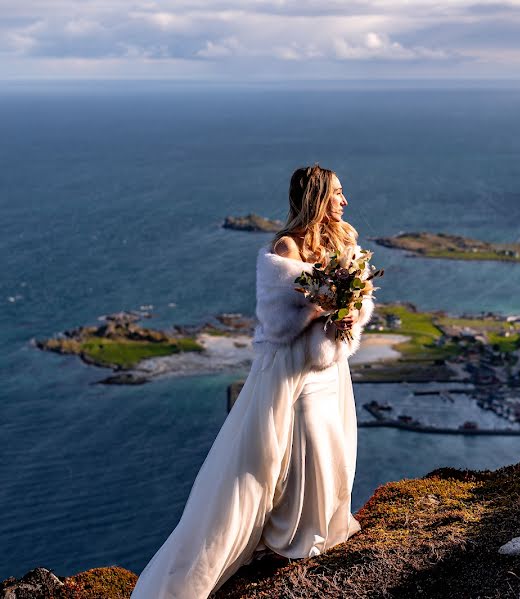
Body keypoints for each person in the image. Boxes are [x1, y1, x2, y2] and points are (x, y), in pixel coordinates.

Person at [131, 164, 374, 598]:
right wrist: (324, 305)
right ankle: (295, 538)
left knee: (334, 442)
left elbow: (362, 298)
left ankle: (320, 529)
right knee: (300, 449)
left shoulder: (346, 239)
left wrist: (350, 313)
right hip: (295, 369)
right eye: (337, 193)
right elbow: (277, 323)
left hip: (332, 367)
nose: (344, 200)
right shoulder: (286, 246)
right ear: (316, 198)